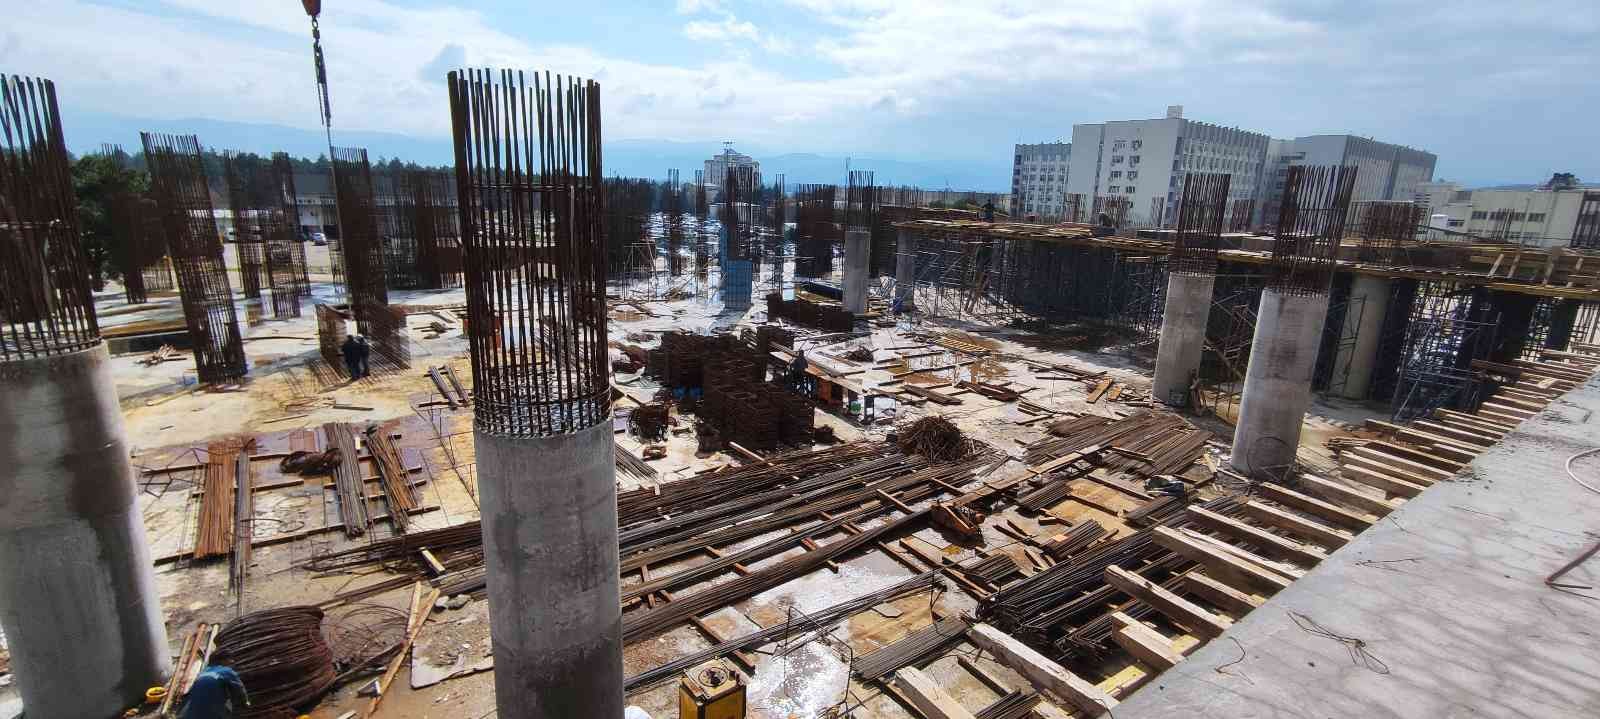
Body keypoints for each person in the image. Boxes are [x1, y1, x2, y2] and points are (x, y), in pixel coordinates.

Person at [178, 664, 248, 719]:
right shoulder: (227, 671)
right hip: (211, 712)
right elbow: (240, 688)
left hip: (190, 712)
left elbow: (189, 693)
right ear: (225, 660)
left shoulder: (205, 671)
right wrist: (246, 702)